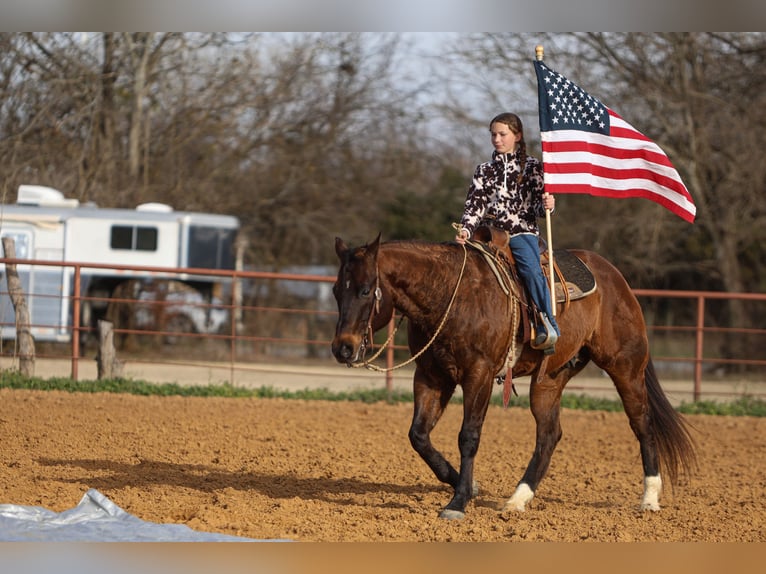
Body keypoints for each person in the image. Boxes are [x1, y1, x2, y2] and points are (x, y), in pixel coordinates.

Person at [455, 112, 560, 350]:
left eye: (502, 134)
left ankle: (547, 323)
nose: (496, 139)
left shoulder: (532, 167)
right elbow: (475, 205)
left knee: (531, 271)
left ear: (517, 135)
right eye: (493, 134)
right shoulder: (483, 170)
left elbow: (538, 208)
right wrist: (466, 230)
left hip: (521, 232)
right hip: (489, 233)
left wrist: (548, 206)